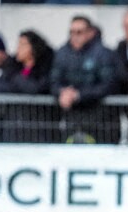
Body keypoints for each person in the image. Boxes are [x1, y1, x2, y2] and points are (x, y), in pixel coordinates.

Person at [50, 15, 120, 143]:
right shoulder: (62, 54)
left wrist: (79, 95)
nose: (75, 36)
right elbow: (54, 81)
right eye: (71, 32)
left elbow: (108, 84)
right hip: (72, 120)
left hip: (99, 121)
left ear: (90, 33)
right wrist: (62, 92)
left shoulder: (103, 54)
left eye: (79, 32)